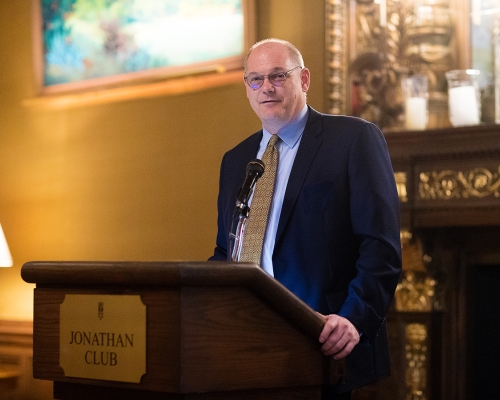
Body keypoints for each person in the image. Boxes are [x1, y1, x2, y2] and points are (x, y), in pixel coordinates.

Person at [209, 38, 402, 399]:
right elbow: (227, 252)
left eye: (278, 76)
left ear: (305, 80)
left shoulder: (353, 139)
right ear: (247, 88)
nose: (266, 87)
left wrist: (353, 320)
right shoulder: (236, 161)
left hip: (326, 346)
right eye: (256, 79)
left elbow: (381, 247)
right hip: (248, 347)